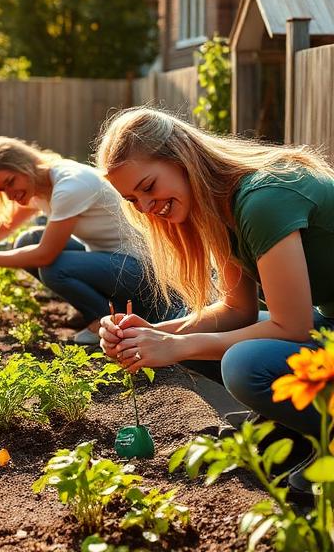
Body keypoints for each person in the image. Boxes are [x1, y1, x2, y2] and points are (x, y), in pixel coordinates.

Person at [95, 106, 334, 487]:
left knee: (243, 362)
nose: (145, 207)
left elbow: (292, 327)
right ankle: (289, 432)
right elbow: (237, 312)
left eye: (148, 187)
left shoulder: (262, 199)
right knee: (211, 345)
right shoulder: (218, 210)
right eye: (132, 200)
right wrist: (152, 333)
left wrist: (176, 347)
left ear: (181, 157)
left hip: (315, 326)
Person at [0, 136, 171, 344]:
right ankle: (95, 310)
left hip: (141, 271)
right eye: (2, 190)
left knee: (53, 268)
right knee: (26, 240)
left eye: (10, 182)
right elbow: (5, 225)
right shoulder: (40, 185)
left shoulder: (69, 185)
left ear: (25, 166)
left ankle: (108, 321)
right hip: (112, 260)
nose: (10, 194)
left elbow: (45, 255)